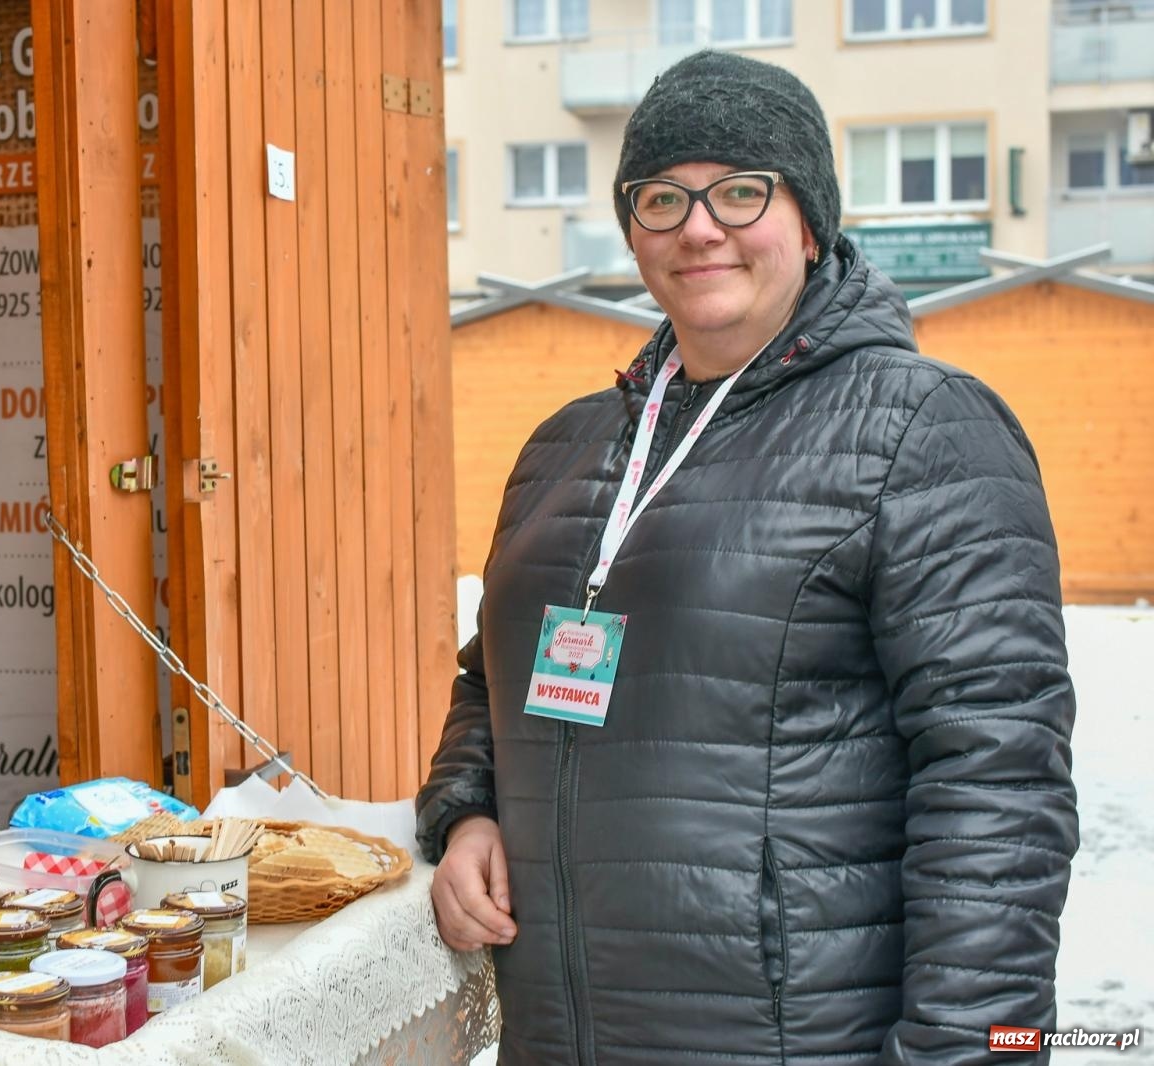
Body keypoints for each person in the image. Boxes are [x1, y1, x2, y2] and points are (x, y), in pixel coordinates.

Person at [416, 50, 1077, 1066]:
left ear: (809, 221)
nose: (697, 226)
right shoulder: (566, 445)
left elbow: (998, 791)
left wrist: (976, 1052)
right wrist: (468, 813)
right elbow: (489, 679)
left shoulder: (923, 430)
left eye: (739, 190)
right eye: (660, 197)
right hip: (564, 1033)